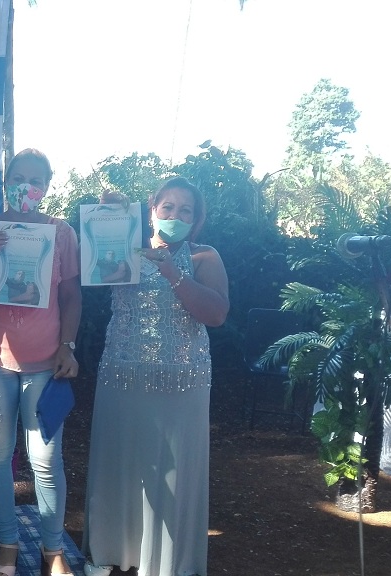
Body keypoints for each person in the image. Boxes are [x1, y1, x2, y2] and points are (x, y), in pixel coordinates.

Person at [81, 177, 229, 576]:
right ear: (151, 210)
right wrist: (108, 219)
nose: (175, 216)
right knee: (119, 465)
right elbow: (88, 265)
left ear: (196, 220)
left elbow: (216, 314)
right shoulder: (128, 249)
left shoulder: (204, 256)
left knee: (175, 472)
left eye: (186, 210)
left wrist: (173, 273)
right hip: (122, 376)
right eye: (168, 207)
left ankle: (166, 563)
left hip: (182, 383)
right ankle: (109, 550)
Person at [0, 148, 81, 576]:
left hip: (46, 363)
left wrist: (68, 345)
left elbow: (71, 296)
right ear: (6, 180)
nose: (26, 187)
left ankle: (53, 549)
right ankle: (6, 544)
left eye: (36, 180)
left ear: (47, 187)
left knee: (45, 459)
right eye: (18, 177)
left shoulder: (62, 234)